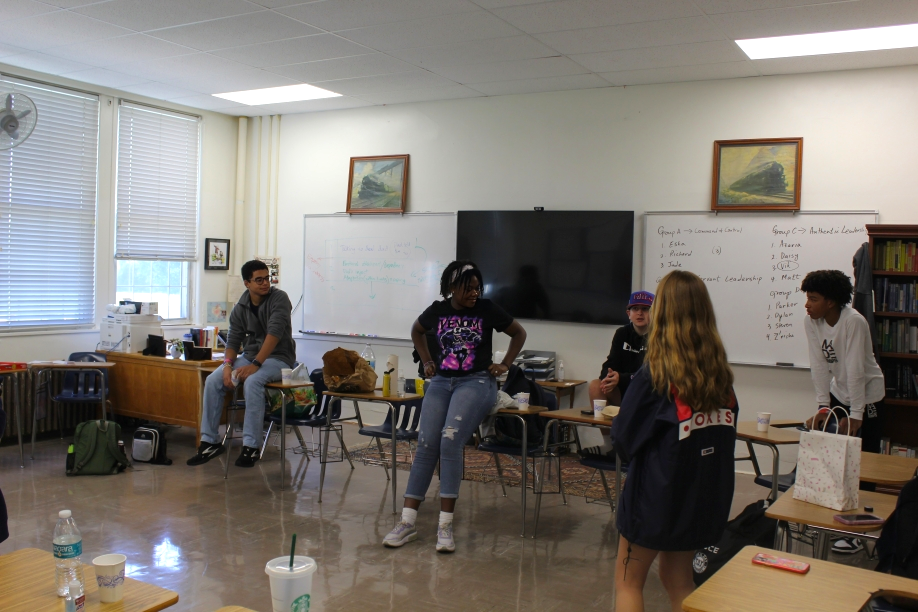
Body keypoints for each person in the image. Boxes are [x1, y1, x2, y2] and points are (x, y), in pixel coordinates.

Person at [611, 271, 737, 612]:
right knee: (678, 579)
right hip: (701, 498)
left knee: (628, 583)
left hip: (656, 499)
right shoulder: (720, 377)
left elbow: (624, 439)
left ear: (663, 313)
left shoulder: (655, 375)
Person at [383, 260, 527, 553]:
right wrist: (427, 362)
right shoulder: (438, 311)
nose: (474, 293)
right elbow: (416, 331)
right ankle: (407, 522)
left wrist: (506, 365)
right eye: (468, 288)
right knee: (426, 443)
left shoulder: (487, 309)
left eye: (477, 288)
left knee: (450, 441)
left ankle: (445, 525)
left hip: (476, 382)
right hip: (441, 382)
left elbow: (518, 333)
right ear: (451, 288)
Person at [802, 269, 885, 555]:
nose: (807, 304)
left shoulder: (854, 322)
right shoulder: (812, 322)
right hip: (840, 394)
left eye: (813, 298)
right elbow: (819, 366)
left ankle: (860, 530)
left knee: (864, 462)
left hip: (867, 395)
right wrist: (824, 406)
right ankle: (835, 521)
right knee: (835, 460)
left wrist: (858, 414)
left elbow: (856, 370)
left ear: (831, 301)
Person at [187, 260, 297, 468]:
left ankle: (251, 446)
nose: (265, 283)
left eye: (267, 278)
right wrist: (228, 366)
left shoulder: (279, 299)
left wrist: (255, 364)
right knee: (213, 380)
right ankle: (209, 441)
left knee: (253, 381)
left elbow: (274, 334)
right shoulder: (241, 307)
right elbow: (233, 340)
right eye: (259, 280)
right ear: (247, 283)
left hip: (279, 358)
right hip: (249, 357)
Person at [589, 291, 653, 406]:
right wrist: (609, 377)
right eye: (635, 309)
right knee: (595, 385)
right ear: (629, 313)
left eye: (645, 309)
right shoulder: (621, 333)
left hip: (646, 389)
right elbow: (611, 363)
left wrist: (621, 378)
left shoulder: (659, 335)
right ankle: (609, 423)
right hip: (623, 387)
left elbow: (651, 374)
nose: (640, 313)